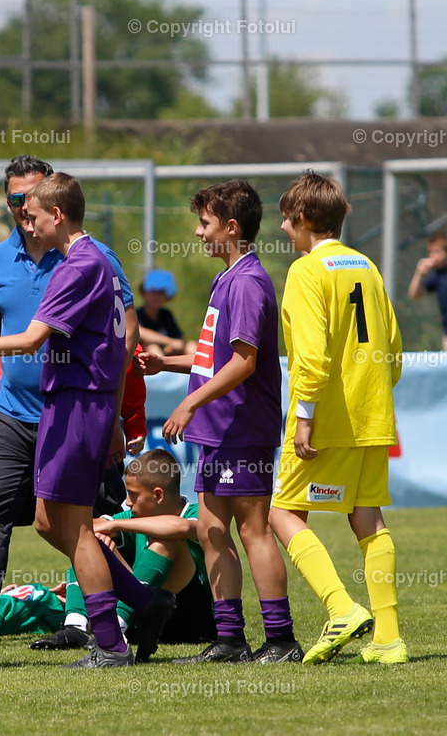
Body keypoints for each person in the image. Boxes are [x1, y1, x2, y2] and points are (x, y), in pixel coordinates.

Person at [0, 173, 139, 668]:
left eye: (35, 213)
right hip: (74, 406)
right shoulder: (98, 261)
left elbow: (29, 340)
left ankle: (110, 643)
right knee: (50, 522)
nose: (28, 219)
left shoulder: (77, 264)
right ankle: (143, 601)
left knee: (78, 528)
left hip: (76, 406)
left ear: (58, 216)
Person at [138, 180, 301, 665]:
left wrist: (188, 405)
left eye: (205, 223)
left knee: (253, 530)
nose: (197, 231)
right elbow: (215, 358)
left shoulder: (249, 282)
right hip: (216, 431)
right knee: (210, 530)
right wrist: (167, 365)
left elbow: (245, 361)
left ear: (231, 228)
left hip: (241, 428)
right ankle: (229, 640)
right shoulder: (227, 277)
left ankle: (281, 639)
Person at [269, 171, 408, 665]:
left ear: (304, 219)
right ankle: (388, 640)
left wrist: (304, 416)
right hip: (373, 417)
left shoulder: (307, 272)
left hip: (325, 418)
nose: (284, 230)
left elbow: (310, 358)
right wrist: (372, 398)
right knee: (368, 518)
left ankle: (341, 608)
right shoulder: (368, 267)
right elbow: (392, 348)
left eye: (287, 220)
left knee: (281, 512)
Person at [47, 450, 214, 653]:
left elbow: (182, 528)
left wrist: (115, 526)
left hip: (192, 620)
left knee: (167, 540)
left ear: (158, 494)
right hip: (142, 617)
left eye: (133, 494)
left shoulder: (194, 513)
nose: (127, 501)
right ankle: (76, 625)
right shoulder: (134, 516)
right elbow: (88, 527)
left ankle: (118, 623)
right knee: (89, 542)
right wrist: (101, 541)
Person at [137, 269, 195, 356]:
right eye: (153, 291)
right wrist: (170, 342)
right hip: (145, 358)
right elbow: (140, 332)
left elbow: (178, 341)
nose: (156, 296)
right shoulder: (137, 315)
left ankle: (199, 369)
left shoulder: (166, 314)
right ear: (144, 293)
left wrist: (172, 346)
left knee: (191, 345)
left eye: (161, 292)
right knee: (153, 348)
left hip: (166, 355)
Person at [407, 231, 447, 351]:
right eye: (430, 252)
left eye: (437, 252)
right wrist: (419, 274)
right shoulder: (437, 275)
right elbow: (414, 294)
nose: (432, 256)